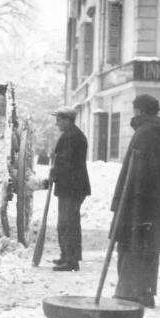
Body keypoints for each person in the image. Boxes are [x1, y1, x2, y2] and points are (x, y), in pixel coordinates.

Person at [111, 94, 160, 308]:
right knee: (149, 248)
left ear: (140, 110)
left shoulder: (145, 132)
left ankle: (128, 293)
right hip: (155, 205)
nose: (134, 112)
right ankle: (145, 293)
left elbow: (135, 173)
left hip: (139, 203)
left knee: (130, 245)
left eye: (134, 108)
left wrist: (124, 201)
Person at [50, 106, 91, 271]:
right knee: (65, 223)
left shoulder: (73, 137)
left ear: (67, 120)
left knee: (69, 223)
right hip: (69, 186)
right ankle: (66, 255)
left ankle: (71, 260)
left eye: (59, 120)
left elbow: (67, 163)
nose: (56, 123)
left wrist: (55, 173)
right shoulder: (70, 135)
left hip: (72, 187)